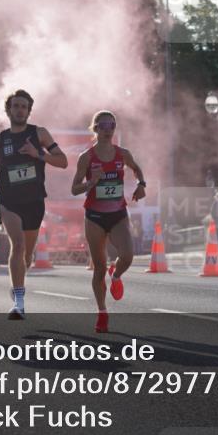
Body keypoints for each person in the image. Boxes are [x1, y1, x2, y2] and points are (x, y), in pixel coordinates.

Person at [0, 90, 67, 319]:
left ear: (29, 111)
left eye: (24, 106)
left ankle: (20, 279)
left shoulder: (39, 134)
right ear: (9, 110)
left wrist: (38, 154)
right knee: (18, 245)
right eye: (16, 106)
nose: (20, 110)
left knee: (27, 255)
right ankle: (19, 303)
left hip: (34, 200)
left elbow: (62, 161)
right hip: (9, 200)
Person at [71, 110, 146, 333]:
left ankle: (117, 275)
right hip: (94, 216)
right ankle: (102, 312)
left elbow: (137, 169)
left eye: (111, 125)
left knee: (128, 256)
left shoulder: (122, 153)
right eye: (102, 125)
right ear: (94, 129)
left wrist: (142, 184)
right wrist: (90, 183)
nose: (107, 129)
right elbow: (74, 188)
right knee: (98, 267)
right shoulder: (86, 157)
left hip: (118, 214)